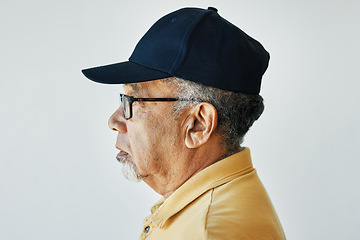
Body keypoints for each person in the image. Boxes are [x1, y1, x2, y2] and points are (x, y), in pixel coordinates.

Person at [82, 6, 286, 240]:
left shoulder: (208, 233)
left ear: (198, 125)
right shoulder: (205, 205)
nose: (114, 121)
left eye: (133, 101)